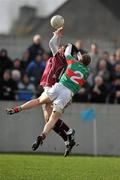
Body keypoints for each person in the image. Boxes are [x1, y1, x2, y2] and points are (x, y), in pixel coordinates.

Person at [7, 42, 91, 155]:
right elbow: (82, 62)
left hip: (57, 87)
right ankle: (44, 135)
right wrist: (79, 55)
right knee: (52, 120)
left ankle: (18, 109)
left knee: (39, 102)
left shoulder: (71, 62)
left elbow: (63, 50)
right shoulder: (87, 71)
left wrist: (70, 44)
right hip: (68, 94)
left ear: (79, 58)